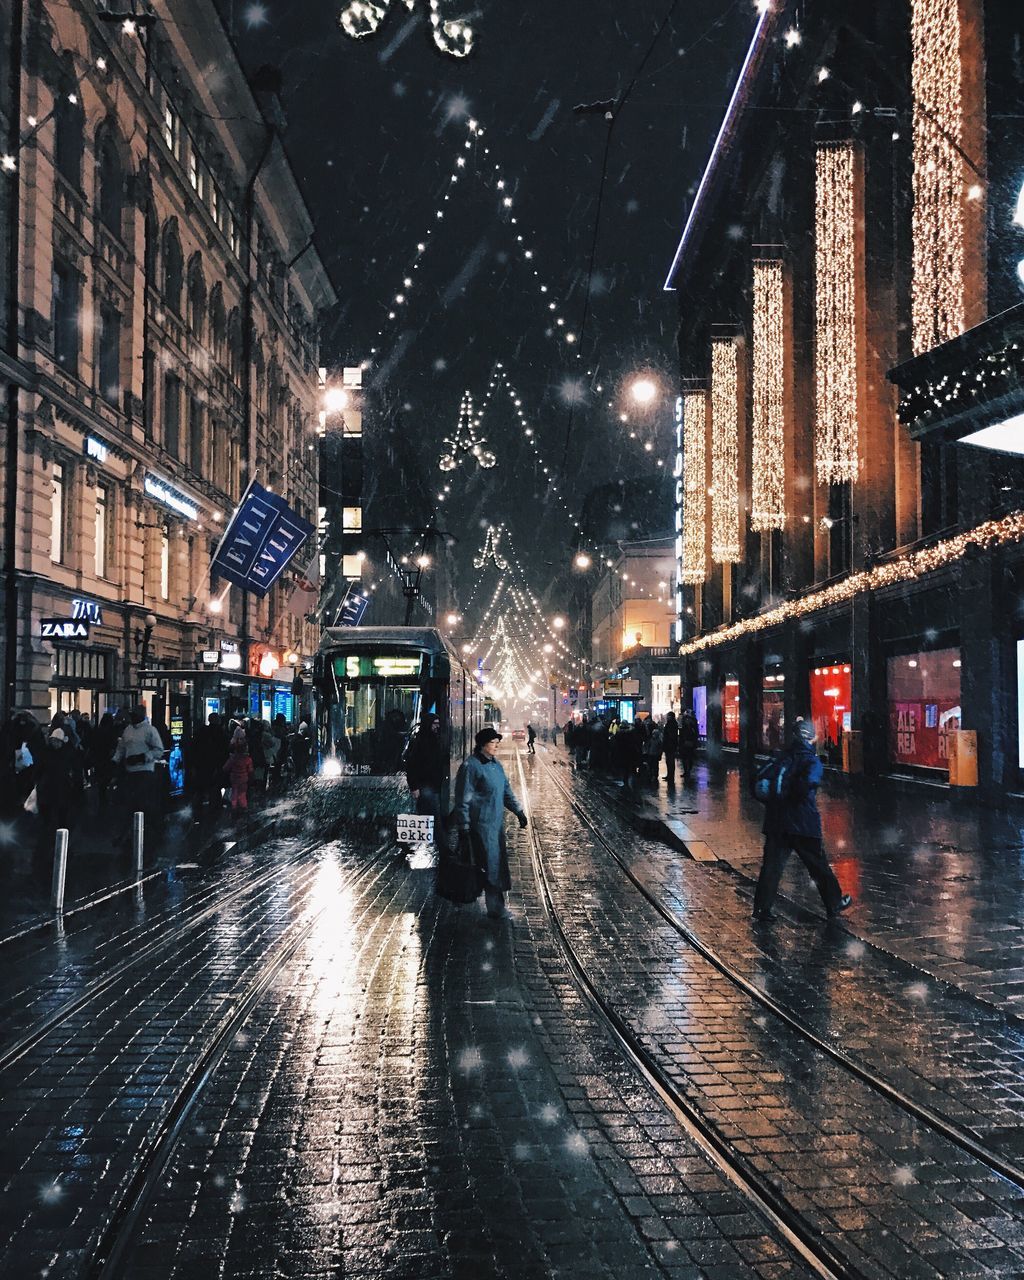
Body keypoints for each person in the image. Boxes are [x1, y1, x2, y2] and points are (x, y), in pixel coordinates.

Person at [752, 719, 853, 923]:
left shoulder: (782, 757)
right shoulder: (811, 760)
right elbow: (808, 784)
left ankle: (762, 908)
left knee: (772, 867)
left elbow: (761, 781)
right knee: (818, 866)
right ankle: (834, 903)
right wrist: (796, 795)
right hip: (803, 823)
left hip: (777, 822)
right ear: (810, 737)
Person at [454, 726, 528, 918]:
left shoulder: (496, 765)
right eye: (493, 743)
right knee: (488, 865)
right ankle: (494, 908)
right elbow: (462, 799)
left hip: (495, 826)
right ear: (482, 745)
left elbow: (506, 792)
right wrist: (463, 826)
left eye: (497, 743)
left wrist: (518, 811)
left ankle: (481, 903)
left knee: (493, 865)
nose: (496, 746)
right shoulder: (471, 767)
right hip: (480, 827)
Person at [113, 706, 166, 836]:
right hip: (130, 771)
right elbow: (121, 748)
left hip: (145, 771)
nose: (133, 717)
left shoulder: (149, 730)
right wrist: (115, 760)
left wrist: (142, 757)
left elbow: (159, 750)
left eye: (135, 715)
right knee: (131, 802)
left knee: (145, 802)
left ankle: (152, 828)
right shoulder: (128, 730)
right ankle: (132, 829)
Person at [406, 714, 447, 849]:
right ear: (428, 724)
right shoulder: (419, 742)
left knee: (426, 816)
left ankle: (404, 842)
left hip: (433, 786)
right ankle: (444, 849)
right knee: (434, 818)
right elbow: (411, 766)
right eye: (434, 723)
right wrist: (414, 787)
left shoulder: (435, 739)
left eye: (438, 723)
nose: (437, 726)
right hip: (425, 786)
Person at [35, 727, 77, 850]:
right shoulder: (49, 752)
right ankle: (51, 833)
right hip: (50, 786)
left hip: (60, 786)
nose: (55, 743)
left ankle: (60, 833)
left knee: (61, 811)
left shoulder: (67, 752)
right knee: (49, 810)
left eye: (56, 741)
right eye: (53, 741)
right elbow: (40, 767)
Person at [191, 713, 229, 816]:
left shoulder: (201, 731)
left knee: (201, 789)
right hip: (215, 765)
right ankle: (214, 810)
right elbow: (224, 751)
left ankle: (197, 809)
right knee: (215, 789)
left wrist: (195, 765)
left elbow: (194, 749)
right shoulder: (221, 733)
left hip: (202, 765)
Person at [224, 729, 254, 814]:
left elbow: (226, 768)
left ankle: (234, 807)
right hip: (244, 778)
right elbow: (250, 770)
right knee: (243, 793)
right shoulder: (248, 759)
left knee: (234, 792)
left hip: (234, 778)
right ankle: (244, 806)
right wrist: (251, 777)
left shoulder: (232, 758)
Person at [678, 708, 699, 781]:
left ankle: (687, 771)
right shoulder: (690, 720)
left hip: (687, 741)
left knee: (687, 757)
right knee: (688, 757)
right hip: (688, 741)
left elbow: (682, 731)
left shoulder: (688, 720)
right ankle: (687, 770)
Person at [662, 711, 679, 785]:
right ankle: (669, 775)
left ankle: (670, 776)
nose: (667, 717)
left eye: (668, 716)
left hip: (670, 746)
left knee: (670, 761)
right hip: (669, 745)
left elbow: (671, 735)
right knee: (669, 761)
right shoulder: (672, 723)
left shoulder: (671, 724)